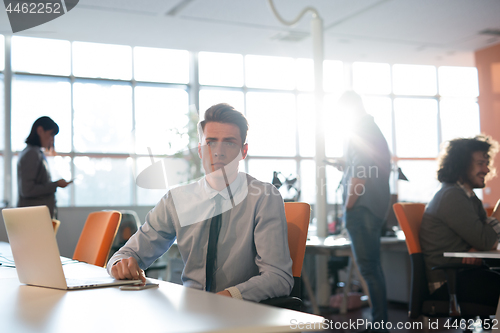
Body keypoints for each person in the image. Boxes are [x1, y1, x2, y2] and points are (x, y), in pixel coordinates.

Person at [107, 103, 294, 302]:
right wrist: (121, 264)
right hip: (190, 310)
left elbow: (278, 277)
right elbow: (126, 254)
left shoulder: (264, 197)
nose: (218, 152)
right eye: (211, 142)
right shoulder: (176, 200)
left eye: (230, 143)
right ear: (200, 150)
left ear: (243, 151)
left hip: (242, 312)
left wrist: (229, 296)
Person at [420, 135, 500, 307]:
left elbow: (487, 238)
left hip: (464, 274)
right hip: (449, 282)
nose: (486, 170)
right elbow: (487, 239)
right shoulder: (452, 196)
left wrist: (478, 245)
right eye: (480, 163)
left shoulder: (468, 197)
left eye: (486, 164)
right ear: (461, 164)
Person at [335, 91, 391, 331]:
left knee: (368, 268)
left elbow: (363, 172)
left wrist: (348, 206)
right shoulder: (371, 129)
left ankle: (379, 324)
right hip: (376, 205)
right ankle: (380, 321)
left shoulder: (360, 130)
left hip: (363, 207)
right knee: (373, 267)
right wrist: (346, 165)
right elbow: (365, 165)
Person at [17, 116, 72, 218]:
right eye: (51, 134)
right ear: (40, 130)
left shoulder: (36, 153)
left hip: (37, 219)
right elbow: (27, 190)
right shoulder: (31, 154)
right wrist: (56, 184)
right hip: (33, 220)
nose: (52, 139)